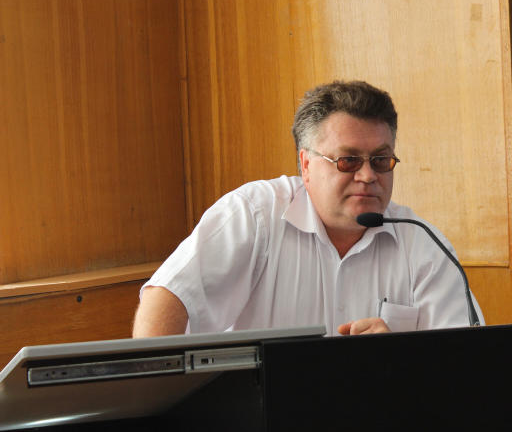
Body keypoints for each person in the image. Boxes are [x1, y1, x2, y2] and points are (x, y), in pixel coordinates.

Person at [132, 80, 482, 338]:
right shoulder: (255, 214)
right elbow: (169, 295)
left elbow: (466, 362)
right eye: (348, 160)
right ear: (306, 165)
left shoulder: (423, 243)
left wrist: (401, 358)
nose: (367, 176)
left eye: (380, 160)